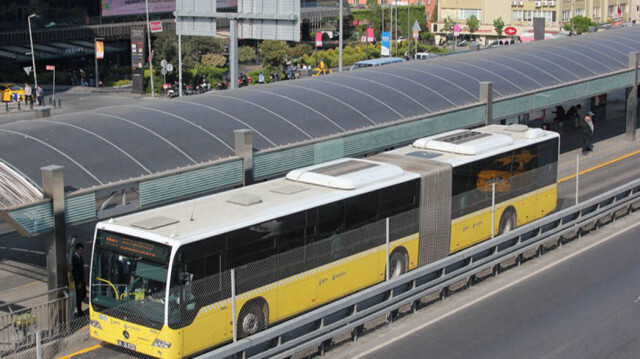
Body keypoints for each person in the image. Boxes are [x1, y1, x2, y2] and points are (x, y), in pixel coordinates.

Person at [71, 242, 86, 317]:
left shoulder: (80, 257)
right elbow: (76, 272)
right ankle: (79, 311)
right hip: (78, 281)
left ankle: (78, 308)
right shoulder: (74, 258)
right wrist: (79, 282)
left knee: (83, 294)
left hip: (82, 280)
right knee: (79, 296)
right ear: (77, 250)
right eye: (81, 250)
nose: (82, 251)